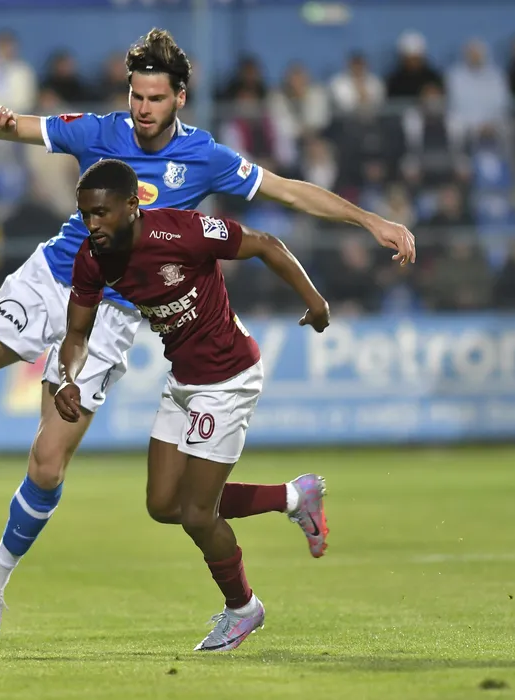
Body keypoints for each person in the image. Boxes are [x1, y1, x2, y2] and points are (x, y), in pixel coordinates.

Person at [0, 28, 414, 651]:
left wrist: (370, 220)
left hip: (111, 317)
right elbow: (28, 128)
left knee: (48, 464)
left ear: (180, 98)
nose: (143, 108)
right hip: (51, 279)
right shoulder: (101, 131)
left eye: (155, 98)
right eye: (136, 96)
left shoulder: (205, 156)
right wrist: (0, 124)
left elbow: (288, 190)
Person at [55, 158, 330, 651]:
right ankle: (294, 497)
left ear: (132, 205)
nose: (91, 224)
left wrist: (315, 301)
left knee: (198, 514)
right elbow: (77, 333)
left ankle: (243, 609)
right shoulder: (92, 257)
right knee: (164, 505)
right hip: (184, 379)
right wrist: (67, 379)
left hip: (228, 378)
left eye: (100, 213)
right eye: (85, 214)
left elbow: (266, 244)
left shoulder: (183, 232)